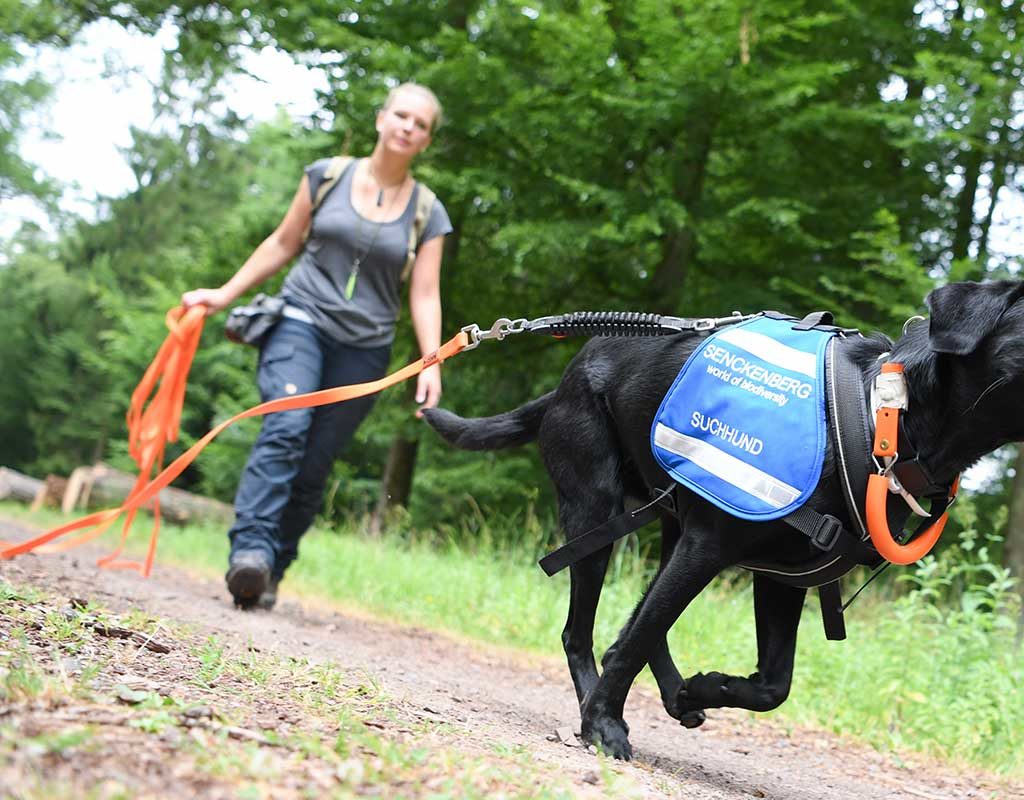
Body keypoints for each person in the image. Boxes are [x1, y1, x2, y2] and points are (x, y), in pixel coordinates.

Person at [182, 83, 452, 610]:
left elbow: (424, 293)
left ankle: (273, 567)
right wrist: (223, 294)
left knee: (315, 462)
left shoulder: (428, 211)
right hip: (299, 321)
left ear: (426, 141)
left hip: (365, 348)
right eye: (401, 116)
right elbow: (282, 243)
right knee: (285, 426)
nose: (408, 128)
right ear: (380, 118)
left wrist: (431, 360)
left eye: (420, 125)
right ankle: (251, 553)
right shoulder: (326, 175)